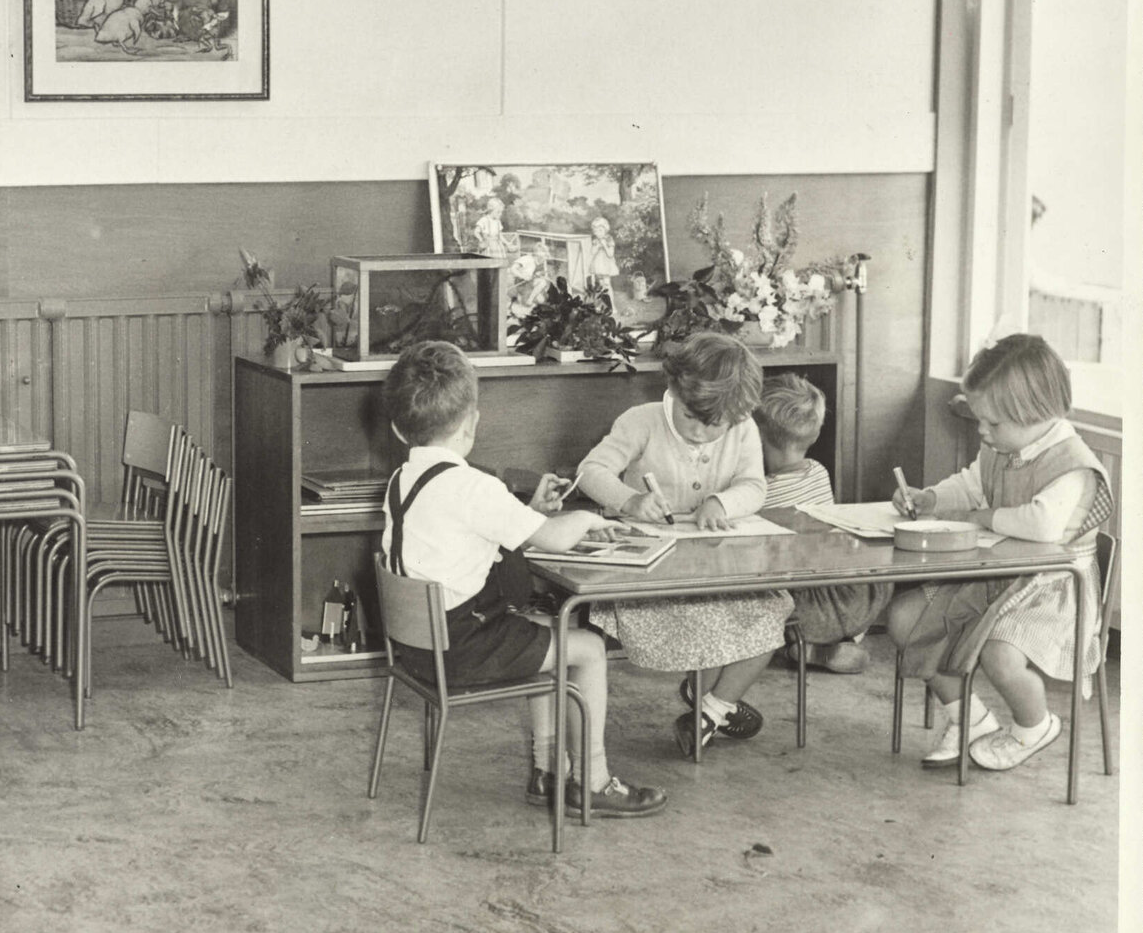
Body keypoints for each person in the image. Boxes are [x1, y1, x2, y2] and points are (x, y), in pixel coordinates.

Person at [381, 341, 666, 819]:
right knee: (588, 650)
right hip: (462, 649)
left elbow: (463, 533)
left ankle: (546, 771)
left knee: (538, 624)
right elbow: (556, 539)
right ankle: (592, 781)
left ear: (395, 428)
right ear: (472, 420)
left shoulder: (403, 480)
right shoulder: (473, 485)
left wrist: (526, 513)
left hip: (418, 648)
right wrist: (588, 521)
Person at [886, 334, 1112, 771]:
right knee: (906, 620)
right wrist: (932, 498)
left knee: (999, 652)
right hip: (996, 577)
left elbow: (1042, 525)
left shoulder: (1073, 463)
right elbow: (972, 484)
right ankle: (969, 719)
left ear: (1037, 414)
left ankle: (1034, 725)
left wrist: (983, 517)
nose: (982, 432)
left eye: (992, 423)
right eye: (979, 421)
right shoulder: (1001, 445)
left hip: (1053, 591)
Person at [572, 331, 789, 755]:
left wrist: (721, 501)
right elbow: (591, 471)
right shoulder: (641, 420)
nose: (703, 435)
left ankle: (710, 709)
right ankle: (714, 705)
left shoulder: (741, 428)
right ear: (672, 388)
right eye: (692, 418)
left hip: (717, 568)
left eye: (716, 425)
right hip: (651, 577)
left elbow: (754, 486)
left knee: (775, 609)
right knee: (709, 619)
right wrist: (629, 500)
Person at [753, 373, 891, 673]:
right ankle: (832, 645)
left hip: (810, 610)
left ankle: (799, 645)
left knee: (756, 592)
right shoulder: (818, 471)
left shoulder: (760, 493)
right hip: (858, 600)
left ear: (756, 433)